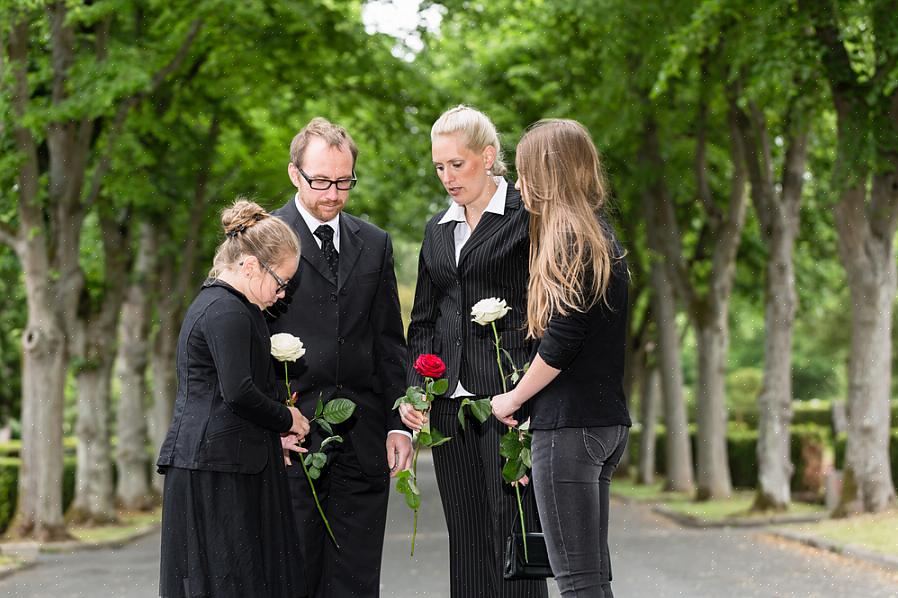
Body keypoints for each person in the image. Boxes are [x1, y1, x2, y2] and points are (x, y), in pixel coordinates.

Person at [402, 105, 548, 598]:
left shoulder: (528, 219)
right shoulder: (436, 230)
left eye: (456, 165)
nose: (447, 177)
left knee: (513, 537)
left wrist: (529, 396)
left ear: (488, 157)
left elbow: (545, 315)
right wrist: (416, 392)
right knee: (465, 538)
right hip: (448, 408)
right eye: (439, 167)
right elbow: (423, 321)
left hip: (508, 404)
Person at [268, 117, 412, 598]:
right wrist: (271, 424)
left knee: (356, 579)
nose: (333, 193)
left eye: (344, 181)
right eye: (322, 181)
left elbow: (390, 340)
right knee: (294, 575)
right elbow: (246, 342)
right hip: (292, 438)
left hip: (365, 439)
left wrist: (398, 422)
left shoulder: (375, 243)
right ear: (295, 175)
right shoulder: (260, 241)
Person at [491, 119, 632, 598]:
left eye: (525, 172)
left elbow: (563, 341)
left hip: (570, 430)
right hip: (603, 425)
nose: (516, 184)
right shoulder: (600, 237)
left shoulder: (568, 240)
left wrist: (513, 399)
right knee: (590, 580)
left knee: (576, 584)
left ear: (549, 175)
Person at [157, 199, 311, 598]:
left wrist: (271, 435)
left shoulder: (231, 307)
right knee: (225, 581)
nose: (281, 295)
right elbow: (238, 392)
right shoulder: (226, 310)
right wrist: (286, 419)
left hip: (220, 461)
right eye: (281, 283)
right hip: (212, 468)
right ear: (249, 265)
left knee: (238, 580)